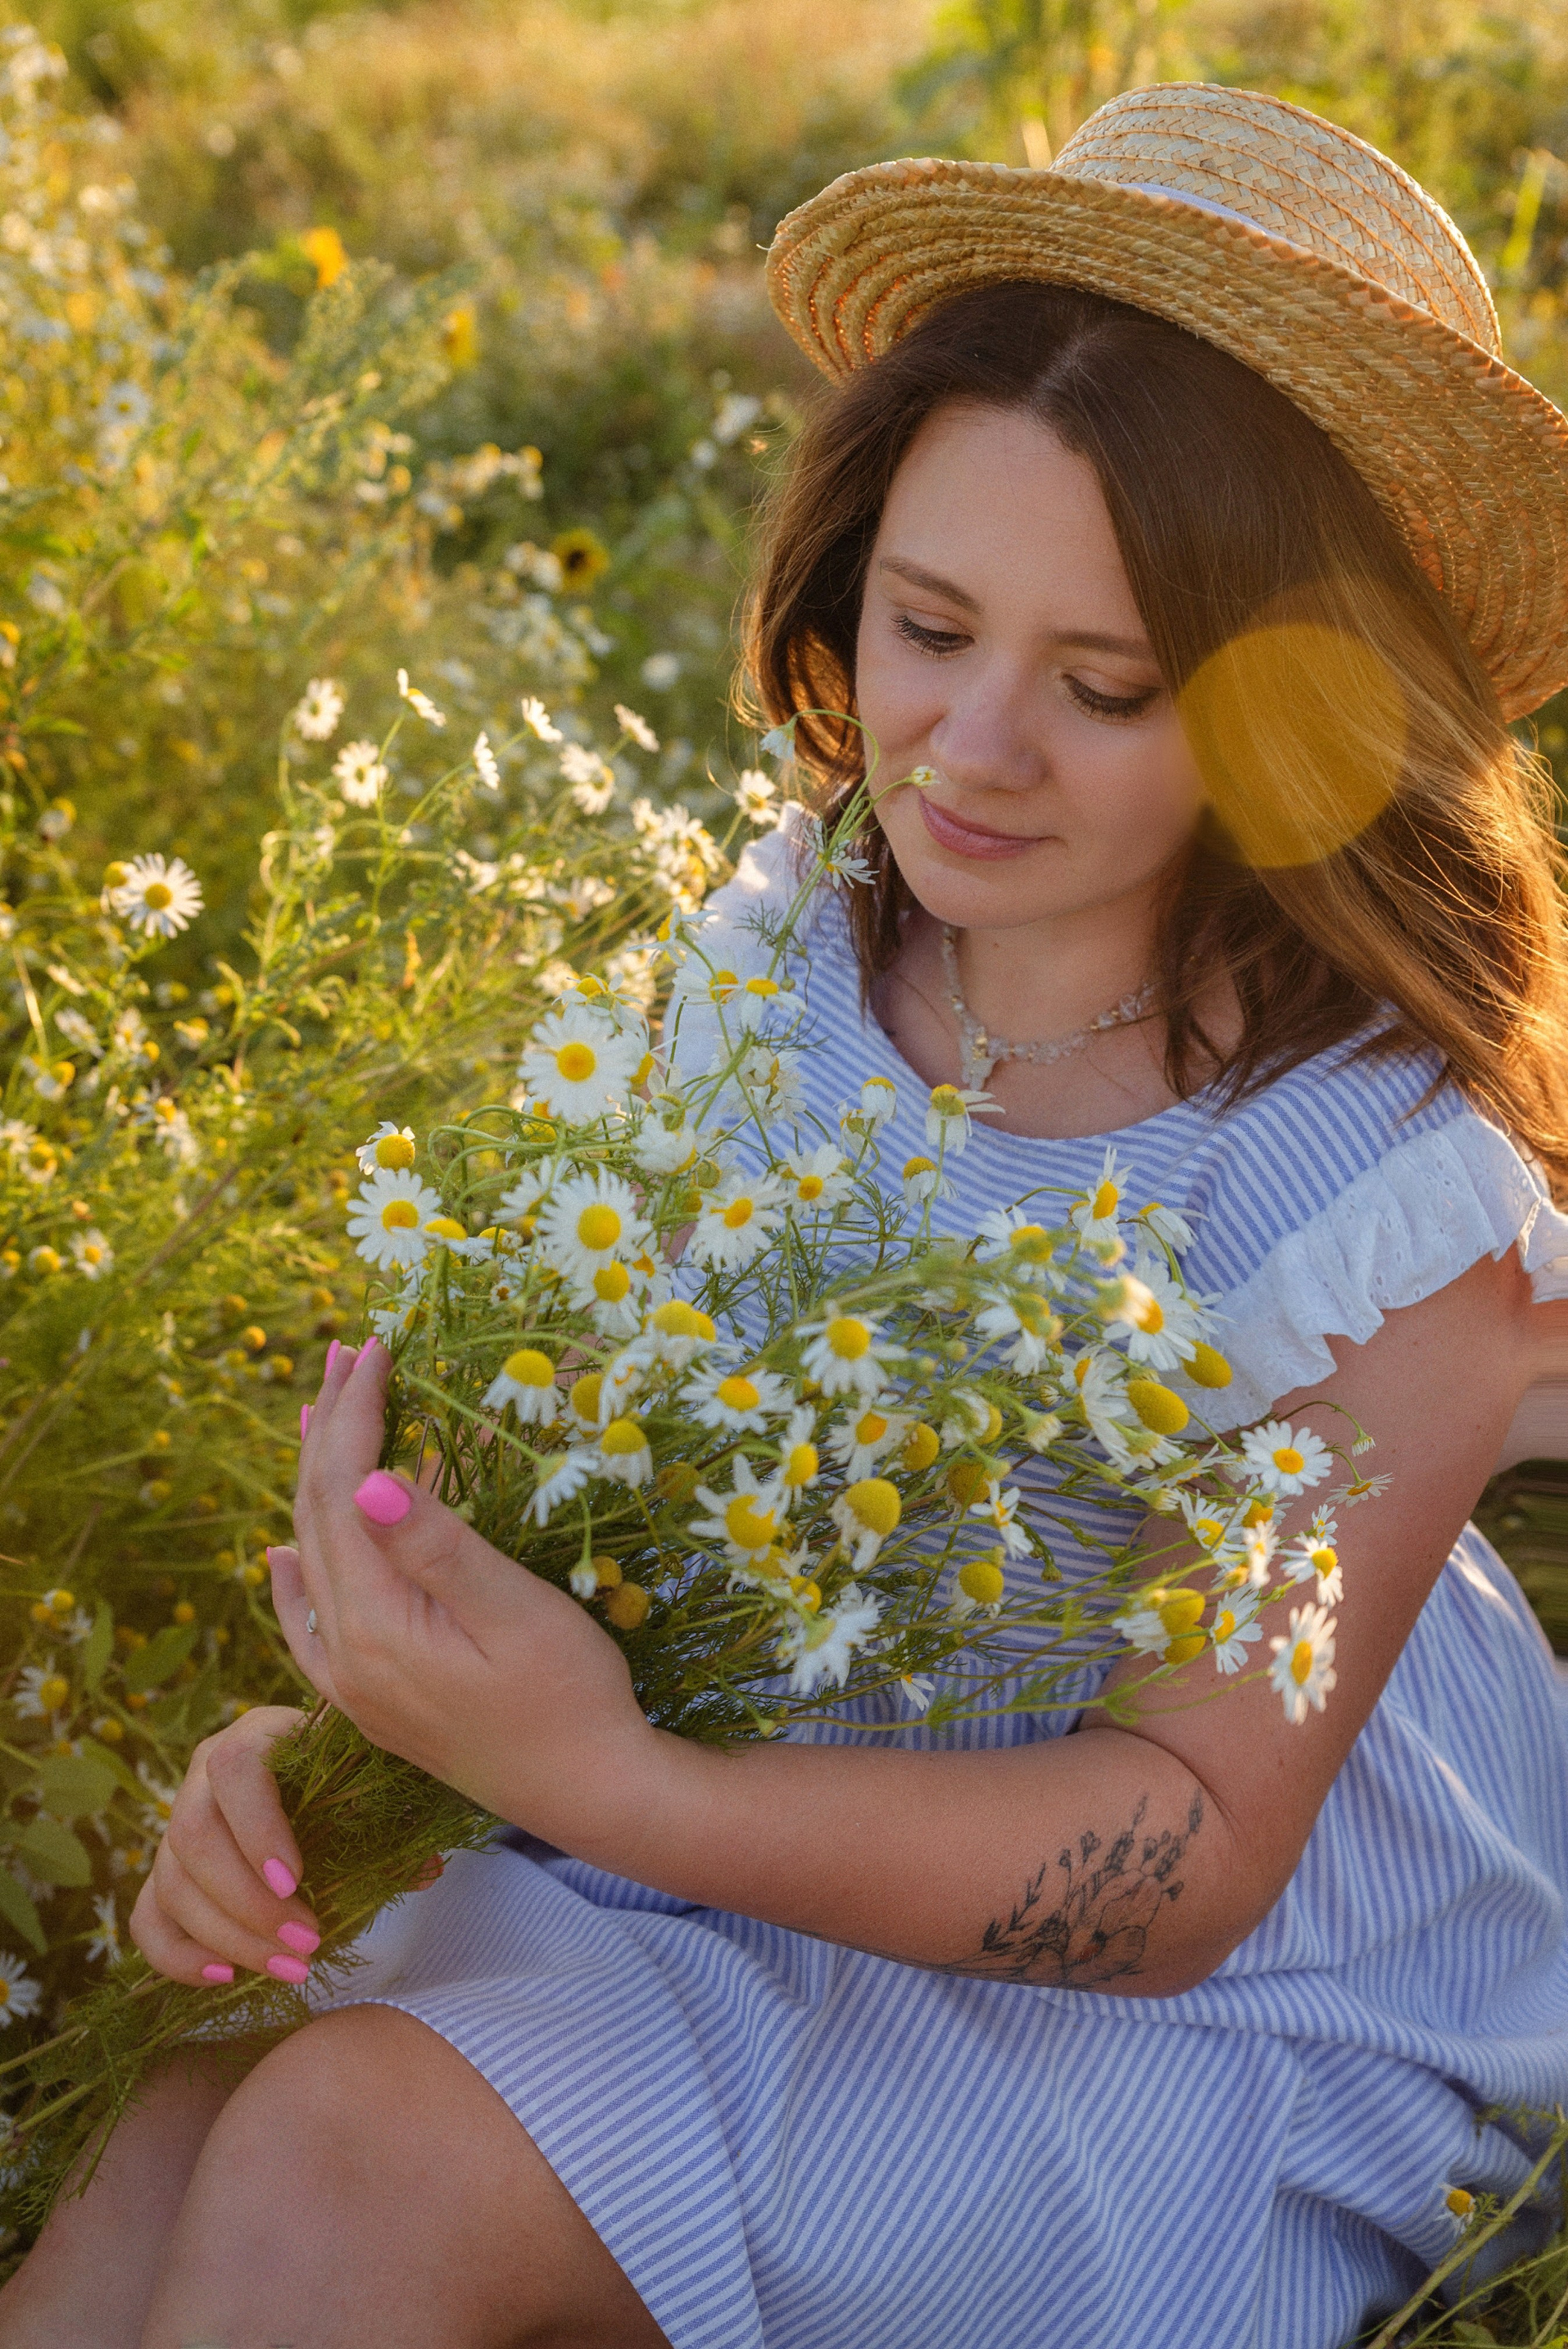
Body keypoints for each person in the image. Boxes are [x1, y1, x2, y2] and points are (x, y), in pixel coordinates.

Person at [7, 79, 1568, 2349]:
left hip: (1167, 2012)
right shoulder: (795, 953)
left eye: (1108, 685)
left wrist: (601, 1777)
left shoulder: (1370, 1183)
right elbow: (597, 1498)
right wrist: (330, 1735)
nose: (970, 753)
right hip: (698, 1848)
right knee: (179, 2141)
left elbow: (1187, 1860)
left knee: (349, 2159)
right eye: (931, 628)